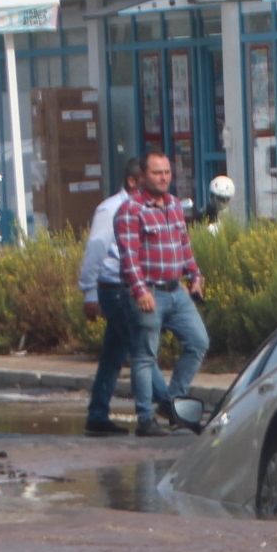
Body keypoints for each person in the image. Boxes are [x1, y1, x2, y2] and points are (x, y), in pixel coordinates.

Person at [113, 152, 210, 437]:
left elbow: (183, 245)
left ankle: (173, 402)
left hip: (175, 290)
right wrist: (140, 291)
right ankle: (146, 418)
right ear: (143, 177)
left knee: (198, 342)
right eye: (157, 173)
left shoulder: (174, 206)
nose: (164, 177)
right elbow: (128, 256)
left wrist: (195, 276)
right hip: (149, 292)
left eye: (167, 172)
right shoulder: (131, 210)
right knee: (145, 357)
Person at [77, 155, 164, 436]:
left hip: (133, 289)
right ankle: (171, 406)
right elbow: (96, 252)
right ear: (132, 181)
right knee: (142, 351)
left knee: (114, 355)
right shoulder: (111, 209)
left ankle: (97, 414)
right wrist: (89, 293)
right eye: (148, 177)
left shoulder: (145, 207)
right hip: (114, 290)